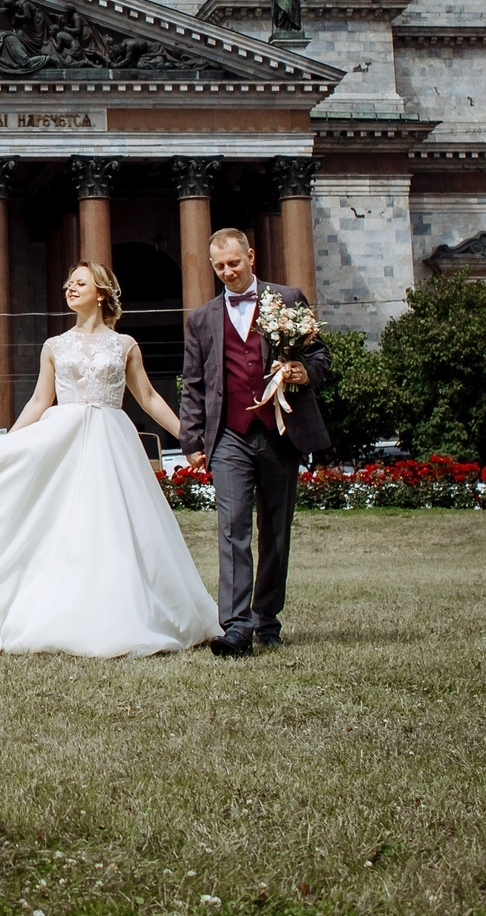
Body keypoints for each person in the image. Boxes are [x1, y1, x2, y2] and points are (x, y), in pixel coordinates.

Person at [0, 261, 221, 657]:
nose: (70, 288)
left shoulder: (124, 345)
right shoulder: (55, 345)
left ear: (101, 292)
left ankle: (128, 612)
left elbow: (148, 398)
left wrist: (189, 438)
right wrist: (2, 450)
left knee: (113, 525)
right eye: (68, 283)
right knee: (62, 527)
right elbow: (38, 401)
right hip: (60, 443)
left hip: (112, 444)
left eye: (80, 283)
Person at [179, 226, 328, 658]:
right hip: (229, 436)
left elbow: (320, 355)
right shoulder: (201, 318)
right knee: (232, 529)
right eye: (219, 266)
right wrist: (192, 438)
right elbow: (194, 385)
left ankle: (267, 620)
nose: (227, 272)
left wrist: (304, 372)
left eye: (234, 263)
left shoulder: (289, 299)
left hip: (281, 431)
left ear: (251, 256)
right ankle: (237, 626)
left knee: (276, 532)